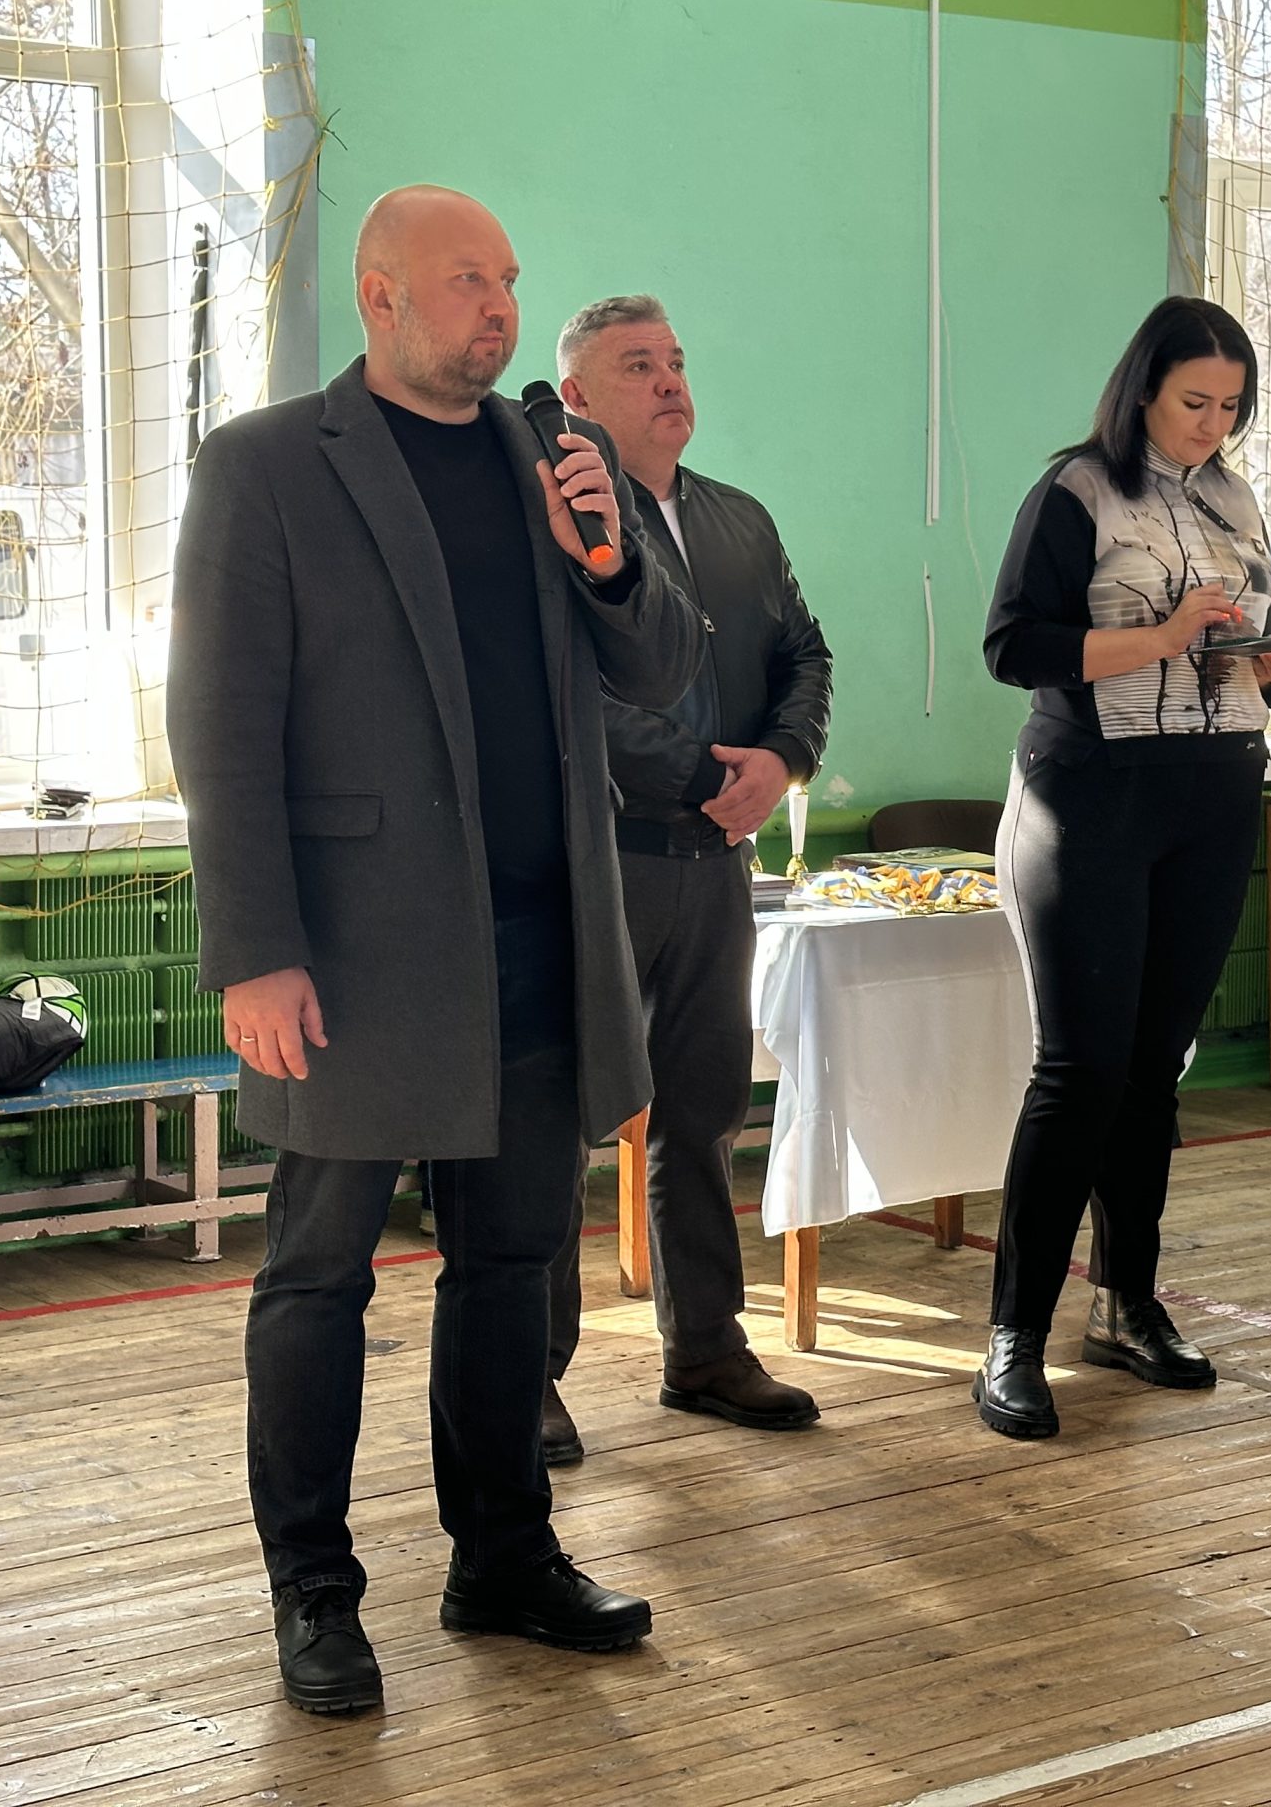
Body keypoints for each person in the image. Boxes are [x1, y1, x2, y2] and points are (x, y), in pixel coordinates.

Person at [167, 185, 701, 1715]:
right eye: (468, 278)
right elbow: (219, 721)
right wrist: (253, 950)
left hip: (540, 940)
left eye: (509, 279)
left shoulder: (553, 456)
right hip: (349, 955)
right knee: (317, 1277)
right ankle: (314, 1593)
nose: (498, 306)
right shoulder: (270, 463)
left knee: (512, 1266)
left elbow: (662, 663)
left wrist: (608, 554)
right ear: (380, 292)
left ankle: (505, 1558)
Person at [974, 296, 1271, 1439]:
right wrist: (1162, 639)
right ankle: (1013, 1334)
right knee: (1080, 1071)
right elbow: (1013, 646)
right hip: (1092, 792)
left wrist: (1270, 664)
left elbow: (1248, 646)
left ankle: (1126, 1306)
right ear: (1141, 393)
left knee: (1152, 1071)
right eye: (1192, 402)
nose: (1210, 426)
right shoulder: (1075, 490)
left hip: (1212, 792)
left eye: (1230, 407)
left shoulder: (1235, 499)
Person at [540, 295, 832, 1458]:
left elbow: (804, 653)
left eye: (674, 361)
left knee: (702, 1116)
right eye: (636, 366)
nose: (669, 382)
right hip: (602, 862)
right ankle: (528, 1378)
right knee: (556, 1128)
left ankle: (705, 1349)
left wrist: (782, 760)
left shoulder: (738, 519)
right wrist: (703, 773)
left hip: (717, 867)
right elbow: (566, 689)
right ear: (575, 399)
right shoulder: (561, 523)